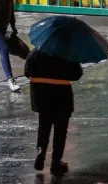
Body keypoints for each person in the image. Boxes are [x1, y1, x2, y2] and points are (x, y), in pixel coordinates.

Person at [24, 47, 83, 176]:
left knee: (44, 125)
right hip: (62, 97)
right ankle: (56, 162)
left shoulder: (35, 53)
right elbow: (77, 74)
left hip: (41, 97)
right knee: (60, 130)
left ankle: (41, 150)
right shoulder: (67, 53)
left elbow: (27, 72)